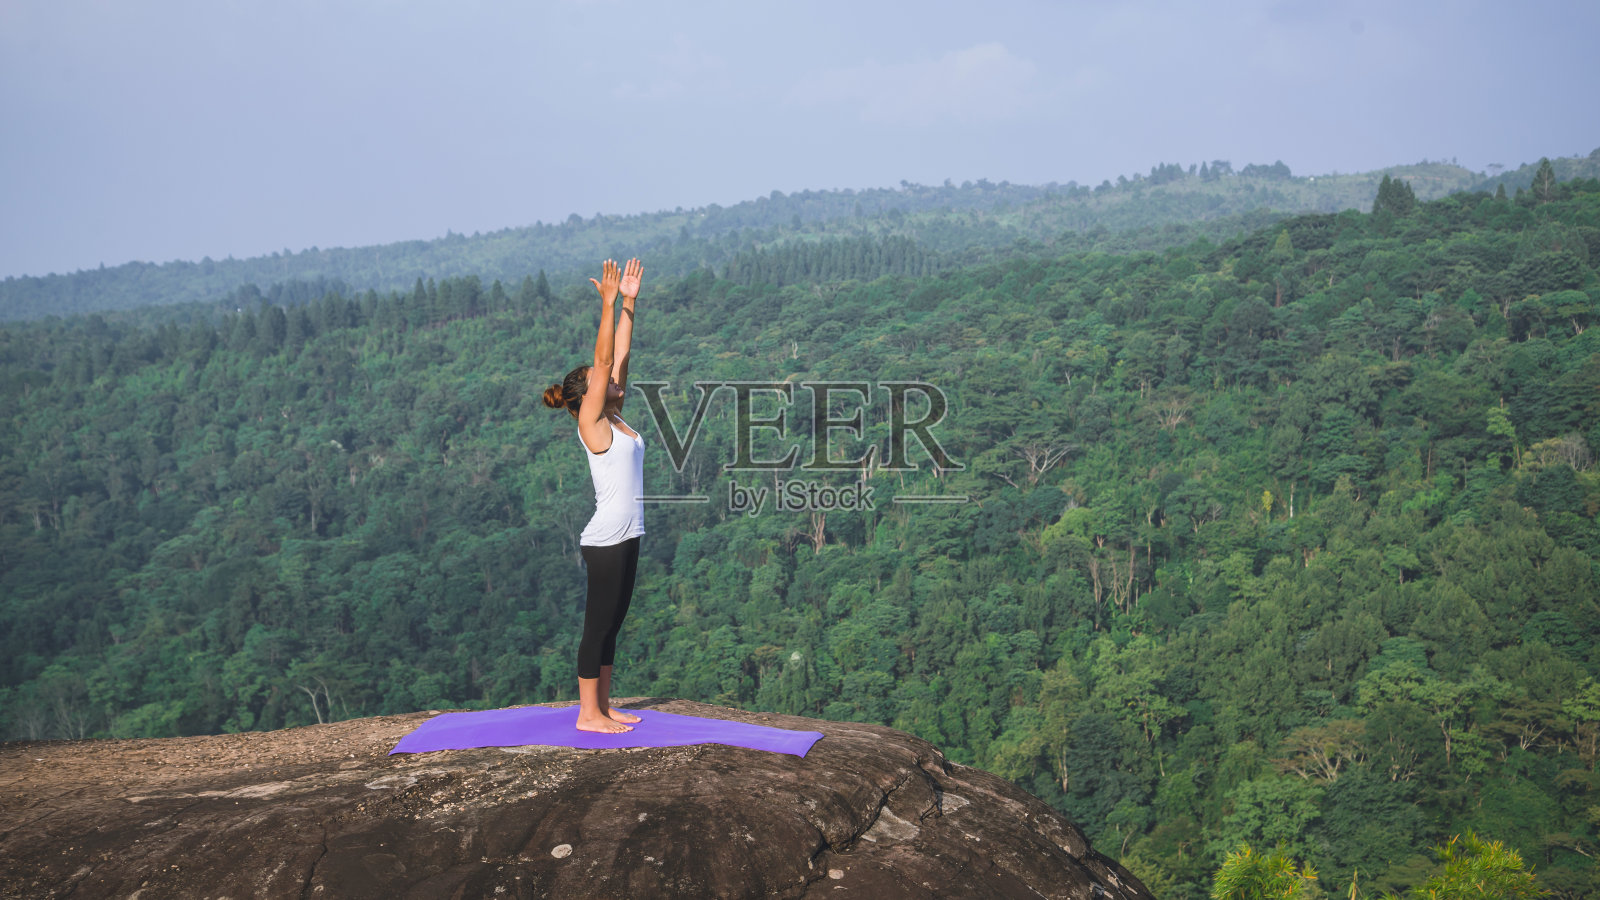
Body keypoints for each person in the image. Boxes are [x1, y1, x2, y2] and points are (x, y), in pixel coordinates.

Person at [541, 258, 646, 733]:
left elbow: (617, 359)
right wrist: (606, 305)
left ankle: (604, 705)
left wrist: (628, 304)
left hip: (628, 535)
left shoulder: (616, 414)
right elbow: (603, 360)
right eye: (601, 381)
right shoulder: (592, 423)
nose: (612, 380)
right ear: (589, 395)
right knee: (597, 626)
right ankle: (587, 715)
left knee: (614, 626)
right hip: (605, 540)